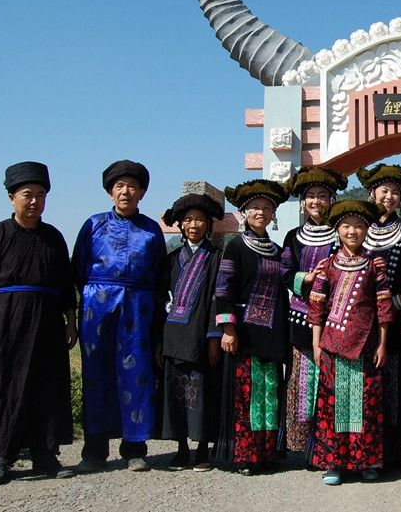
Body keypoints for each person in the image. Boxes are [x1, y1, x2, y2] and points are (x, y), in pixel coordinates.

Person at [0, 161, 77, 484]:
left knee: (47, 387)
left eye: (41, 195)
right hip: (6, 325)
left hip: (47, 325)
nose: (34, 201)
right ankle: (2, 457)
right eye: (28, 194)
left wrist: (71, 322)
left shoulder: (54, 238)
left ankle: (45, 455)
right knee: (4, 387)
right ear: (11, 197)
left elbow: (66, 287)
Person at [73, 160, 168, 473]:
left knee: (138, 374)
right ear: (110, 192)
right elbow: (78, 269)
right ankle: (94, 450)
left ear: (142, 193)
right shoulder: (93, 225)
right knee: (96, 375)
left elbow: (160, 277)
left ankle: (135, 448)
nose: (125, 192)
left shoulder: (151, 230)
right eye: (119, 186)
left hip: (139, 308)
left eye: (132, 187)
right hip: (97, 309)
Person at [307, 199, 392, 485]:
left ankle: (365, 461)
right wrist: (317, 344)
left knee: (364, 403)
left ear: (367, 230)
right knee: (334, 404)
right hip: (332, 344)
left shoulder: (375, 266)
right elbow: (317, 306)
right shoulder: (327, 266)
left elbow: (383, 308)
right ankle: (334, 463)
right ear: (337, 230)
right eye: (346, 226)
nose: (352, 231)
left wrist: (382, 344)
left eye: (358, 226)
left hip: (367, 345)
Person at [214, 178, 290, 473]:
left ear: (273, 215)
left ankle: (268, 452)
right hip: (244, 334)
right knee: (247, 395)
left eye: (267, 208)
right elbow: (223, 289)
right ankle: (246, 454)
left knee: (270, 393)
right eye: (255, 207)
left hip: (271, 334)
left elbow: (287, 282)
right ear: (245, 213)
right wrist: (228, 328)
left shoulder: (277, 250)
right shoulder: (235, 247)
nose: (261, 212)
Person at [356, 163, 401, 467]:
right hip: (361, 319)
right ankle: (365, 449)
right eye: (384, 190)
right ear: (372, 193)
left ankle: (395, 451)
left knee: (396, 380)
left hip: (398, 319)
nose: (389, 197)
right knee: (364, 379)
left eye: (395, 192)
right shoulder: (357, 225)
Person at [280, 167, 348, 456]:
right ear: (303, 202)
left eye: (322, 195)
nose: (316, 201)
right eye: (311, 196)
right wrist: (306, 277)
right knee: (304, 383)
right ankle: (304, 446)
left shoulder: (342, 234)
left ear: (332, 199)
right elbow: (284, 271)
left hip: (337, 319)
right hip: (301, 317)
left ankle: (332, 445)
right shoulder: (293, 236)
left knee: (334, 381)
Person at [159, 193, 226, 472]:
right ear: (181, 225)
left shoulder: (216, 258)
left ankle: (201, 449)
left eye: (199, 219)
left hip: (201, 336)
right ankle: (181, 448)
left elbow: (218, 299)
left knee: (202, 393)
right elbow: (161, 298)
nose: (194, 225)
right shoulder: (172, 259)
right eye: (188, 220)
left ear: (208, 224)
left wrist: (213, 337)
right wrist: (158, 342)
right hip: (174, 336)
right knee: (175, 394)